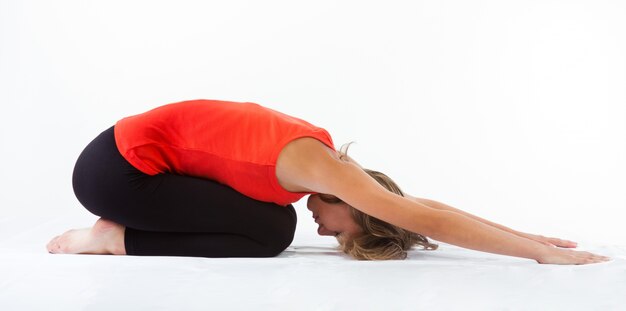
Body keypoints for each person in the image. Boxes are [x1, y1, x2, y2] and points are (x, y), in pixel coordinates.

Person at [47, 99, 610, 264]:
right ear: (361, 207)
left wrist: (531, 235)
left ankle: (116, 234)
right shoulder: (320, 171)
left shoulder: (320, 168)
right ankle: (113, 239)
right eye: (344, 234)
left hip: (120, 161)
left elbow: (416, 205)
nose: (326, 232)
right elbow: (422, 216)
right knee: (272, 235)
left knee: (273, 223)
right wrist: (538, 259)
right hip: (116, 175)